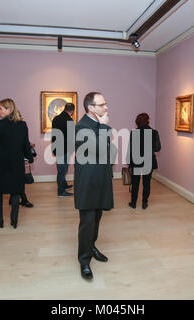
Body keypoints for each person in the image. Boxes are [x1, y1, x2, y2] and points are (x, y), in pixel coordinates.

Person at [74, 92, 116, 281]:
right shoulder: (81, 126)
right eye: (102, 104)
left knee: (98, 217)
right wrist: (104, 126)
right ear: (91, 108)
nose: (106, 107)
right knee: (87, 221)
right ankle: (84, 260)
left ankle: (91, 247)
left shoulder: (98, 125)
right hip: (88, 182)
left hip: (101, 178)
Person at [0, 98, 33, 229]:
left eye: (1, 108)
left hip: (1, 163)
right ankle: (14, 221)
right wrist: (29, 158)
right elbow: (26, 144)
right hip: (16, 163)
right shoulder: (22, 124)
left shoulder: (0, 124)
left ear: (8, 109)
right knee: (15, 192)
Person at [128, 113, 161, 210]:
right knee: (147, 183)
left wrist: (129, 163)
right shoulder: (154, 132)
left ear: (137, 122)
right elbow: (157, 148)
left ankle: (133, 203)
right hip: (148, 161)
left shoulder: (134, 133)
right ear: (148, 121)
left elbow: (131, 149)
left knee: (135, 183)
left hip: (136, 161)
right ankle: (144, 203)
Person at [51, 103, 75, 197]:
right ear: (72, 111)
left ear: (64, 109)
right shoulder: (70, 120)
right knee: (62, 171)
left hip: (57, 147)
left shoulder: (55, 118)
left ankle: (64, 185)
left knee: (61, 169)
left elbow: (53, 134)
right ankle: (61, 191)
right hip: (65, 149)